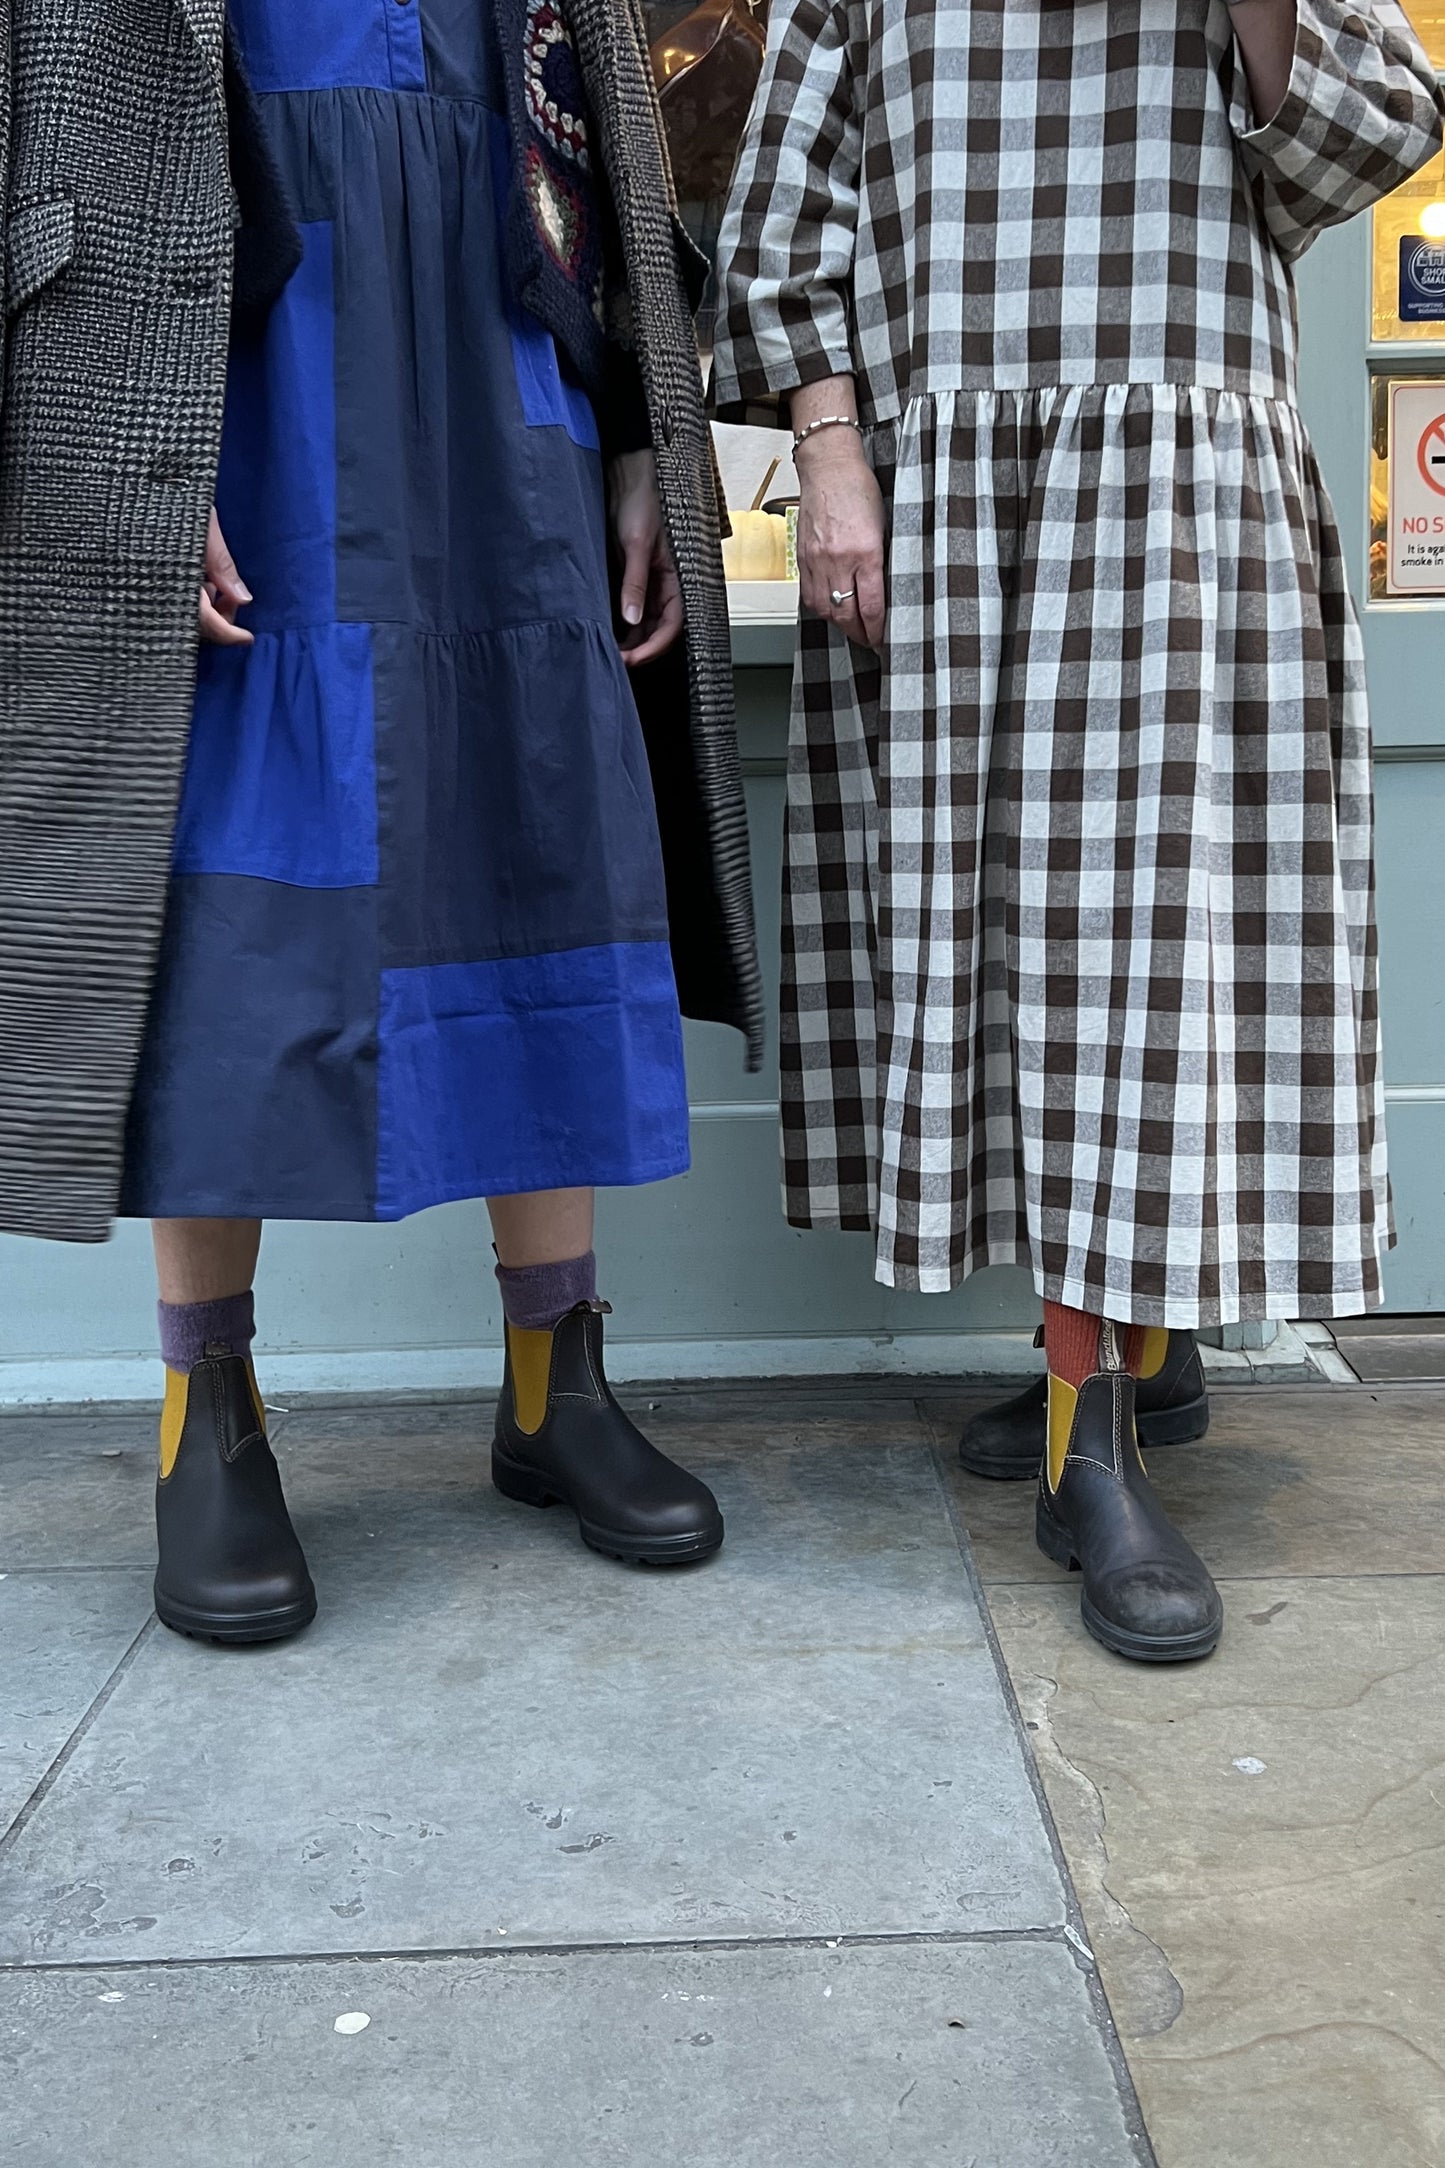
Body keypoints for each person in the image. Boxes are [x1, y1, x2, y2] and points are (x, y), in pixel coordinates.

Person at [0, 0, 760, 1643]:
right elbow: (45, 110)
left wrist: (643, 429)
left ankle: (557, 1382)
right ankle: (208, 1417)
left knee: (533, 844)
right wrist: (110, 437)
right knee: (236, 912)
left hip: (506, 382)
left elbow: (606, 147)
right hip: (238, 394)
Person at [714, 0, 1443, 1659]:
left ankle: (1107, 1406)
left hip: (1186, 502)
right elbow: (772, 234)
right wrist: (829, 464)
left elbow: (1366, 140)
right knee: (1036, 944)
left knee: (1162, 941)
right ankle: (1101, 1384)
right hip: (959, 503)